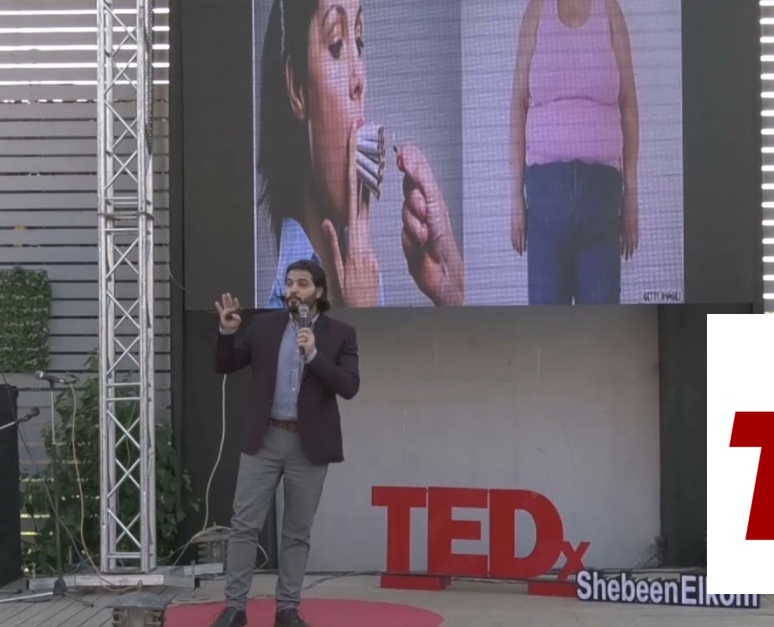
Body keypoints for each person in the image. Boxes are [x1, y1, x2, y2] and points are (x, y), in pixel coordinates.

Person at [257, 0, 465, 309]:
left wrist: (453, 290)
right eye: (337, 45)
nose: (359, 81)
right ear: (298, 88)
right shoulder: (278, 319)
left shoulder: (365, 283)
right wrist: (362, 321)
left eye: (359, 41)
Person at [210, 259, 361, 627]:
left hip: (309, 445)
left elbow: (349, 386)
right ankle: (235, 607)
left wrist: (314, 355)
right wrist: (227, 332)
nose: (293, 290)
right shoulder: (264, 326)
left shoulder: (340, 334)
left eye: (303, 284)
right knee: (244, 525)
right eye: (290, 282)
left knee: (296, 532)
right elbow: (226, 365)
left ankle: (287, 608)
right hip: (265, 439)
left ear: (319, 291)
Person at [510, 0, 641, 304]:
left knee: (600, 326)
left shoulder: (610, 10)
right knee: (547, 325)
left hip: (602, 203)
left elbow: (628, 102)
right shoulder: (537, 10)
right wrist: (515, 198)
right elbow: (518, 102)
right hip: (545, 202)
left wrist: (632, 196)